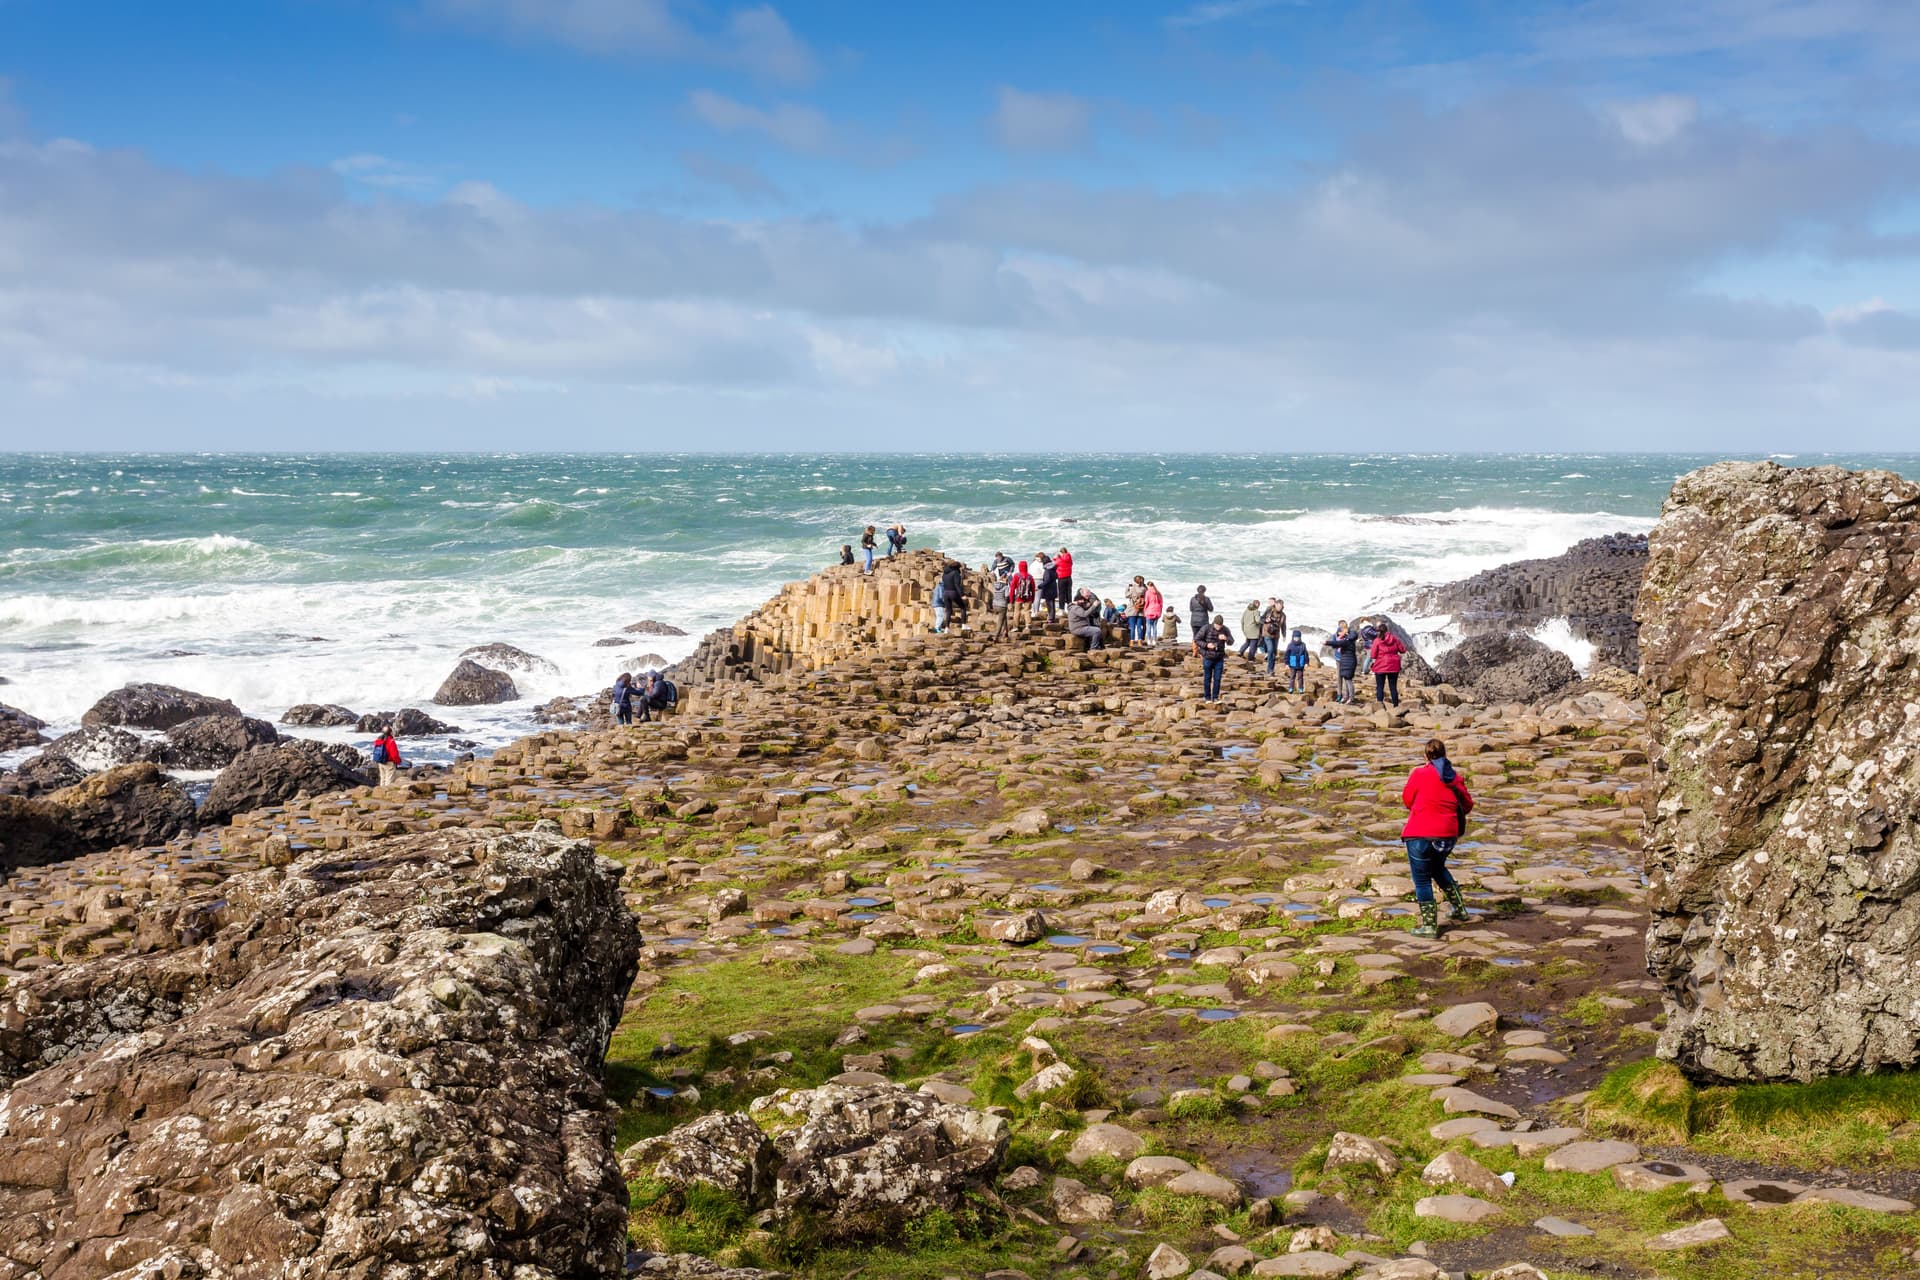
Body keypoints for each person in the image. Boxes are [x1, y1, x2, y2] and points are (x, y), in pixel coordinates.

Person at [1401, 738, 1474, 938]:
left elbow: (1407, 800)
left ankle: (1429, 926)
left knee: (1422, 880)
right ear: (1445, 755)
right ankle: (1459, 910)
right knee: (1437, 868)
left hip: (1420, 833)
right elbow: (1467, 805)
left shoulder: (1419, 773)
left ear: (1425, 756)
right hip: (1448, 835)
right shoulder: (1454, 777)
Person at [1195, 613, 1232, 700]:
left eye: (1220, 625)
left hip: (1219, 658)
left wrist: (1226, 638)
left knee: (1218, 679)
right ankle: (1207, 698)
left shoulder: (1225, 629)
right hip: (1208, 657)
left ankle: (1215, 697)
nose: (1218, 627)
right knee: (1207, 678)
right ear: (1214, 623)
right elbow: (1197, 639)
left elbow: (1231, 641)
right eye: (1217, 625)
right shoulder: (1206, 628)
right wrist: (1207, 645)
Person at [1370, 622, 1406, 707]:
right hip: (1394, 665)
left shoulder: (1377, 640)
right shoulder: (1395, 639)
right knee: (1393, 687)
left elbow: (1373, 655)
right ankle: (1396, 706)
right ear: (1387, 630)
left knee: (1380, 687)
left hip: (1380, 666)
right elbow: (1403, 650)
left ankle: (1380, 706)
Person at [1326, 621, 1359, 703]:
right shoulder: (1336, 634)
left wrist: (1344, 637)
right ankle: (1339, 694)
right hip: (1339, 658)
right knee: (1339, 677)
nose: (1341, 627)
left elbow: (1353, 636)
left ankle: (1346, 696)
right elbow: (1334, 644)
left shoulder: (1350, 635)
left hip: (1346, 659)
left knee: (1346, 678)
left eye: (1343, 626)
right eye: (1340, 626)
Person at [989, 553, 1014, 640]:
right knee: (1001, 618)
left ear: (1001, 556)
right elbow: (993, 566)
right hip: (1002, 604)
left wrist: (1010, 571)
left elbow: (1012, 564)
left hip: (1007, 574)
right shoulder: (996, 561)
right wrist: (991, 570)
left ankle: (1005, 632)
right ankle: (996, 636)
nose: (998, 559)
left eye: (999, 557)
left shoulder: (1007, 559)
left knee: (1003, 617)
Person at [1008, 559, 1036, 634]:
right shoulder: (1030, 577)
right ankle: (1028, 625)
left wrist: (1011, 600)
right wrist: (1033, 599)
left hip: (1018, 597)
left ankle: (1015, 627)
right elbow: (1033, 589)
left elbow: (1012, 588)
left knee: (1017, 612)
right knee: (1027, 611)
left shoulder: (1016, 576)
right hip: (1028, 598)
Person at [1261, 598, 1288, 676]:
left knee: (1274, 653)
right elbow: (1261, 619)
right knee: (1270, 650)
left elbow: (1283, 626)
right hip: (1267, 633)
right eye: (1278, 606)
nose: (1279, 607)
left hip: (1276, 635)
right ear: (1275, 605)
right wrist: (1266, 620)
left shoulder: (1283, 615)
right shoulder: (1269, 611)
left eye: (1281, 606)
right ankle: (1269, 669)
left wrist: (1284, 635)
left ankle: (1271, 670)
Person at [940, 559, 968, 632]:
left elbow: (943, 583)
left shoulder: (944, 573)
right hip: (953, 592)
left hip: (945, 593)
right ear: (957, 567)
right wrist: (962, 595)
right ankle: (964, 625)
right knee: (963, 607)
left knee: (948, 611)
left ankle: (946, 628)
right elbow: (957, 585)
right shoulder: (955, 573)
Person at [1188, 585, 1213, 653]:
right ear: (1204, 591)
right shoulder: (1206, 599)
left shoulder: (1193, 599)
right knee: (1204, 636)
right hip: (1203, 621)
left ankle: (1195, 651)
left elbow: (1191, 609)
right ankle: (1203, 652)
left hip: (1194, 621)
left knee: (1195, 636)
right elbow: (1211, 609)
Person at [1124, 575, 1148, 647]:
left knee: (1132, 627)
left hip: (1132, 610)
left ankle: (1132, 641)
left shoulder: (1133, 588)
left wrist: (1127, 587)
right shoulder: (1144, 589)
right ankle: (1140, 641)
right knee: (1139, 627)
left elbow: (1126, 595)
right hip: (1141, 610)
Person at [1036, 552, 1059, 625]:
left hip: (1049, 589)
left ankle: (1050, 619)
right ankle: (1052, 617)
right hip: (1053, 588)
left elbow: (1047, 580)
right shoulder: (1053, 568)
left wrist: (1039, 586)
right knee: (1052, 603)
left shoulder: (1048, 570)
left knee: (1050, 604)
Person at [1284, 629, 1310, 693]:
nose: (1296, 639)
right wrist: (1286, 663)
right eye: (1295, 637)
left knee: (1300, 677)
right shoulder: (1290, 645)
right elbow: (1286, 655)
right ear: (1292, 637)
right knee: (1292, 677)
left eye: (1298, 637)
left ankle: (1300, 688)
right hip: (1292, 664)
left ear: (1300, 638)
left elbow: (1306, 654)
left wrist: (1306, 662)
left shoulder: (1303, 645)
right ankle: (1291, 688)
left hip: (1300, 664)